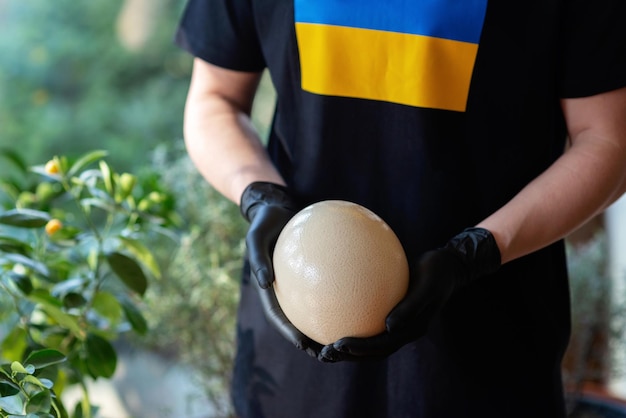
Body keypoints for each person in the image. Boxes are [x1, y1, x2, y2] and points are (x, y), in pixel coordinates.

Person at [175, 0, 626, 416]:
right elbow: (216, 99)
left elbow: (607, 142)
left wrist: (477, 251)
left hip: (484, 349)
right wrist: (258, 195)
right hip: (295, 345)